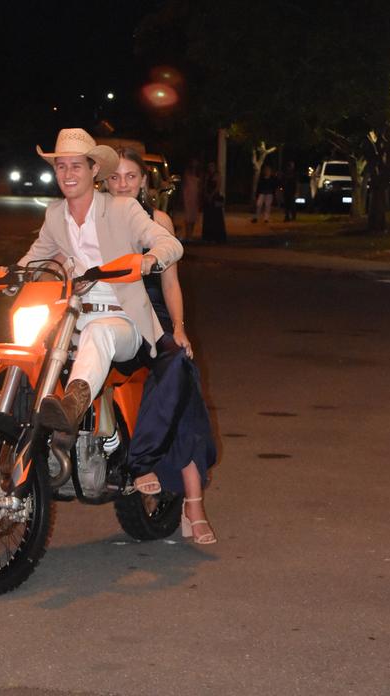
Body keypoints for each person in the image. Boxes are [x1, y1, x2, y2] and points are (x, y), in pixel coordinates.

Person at [17, 127, 182, 449]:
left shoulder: (122, 209)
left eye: (76, 166)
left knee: (99, 333)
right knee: (31, 348)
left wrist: (150, 259)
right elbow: (35, 257)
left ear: (94, 170)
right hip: (71, 318)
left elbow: (168, 243)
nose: (67, 173)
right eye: (61, 166)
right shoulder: (54, 215)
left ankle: (72, 409)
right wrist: (10, 275)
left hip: (123, 320)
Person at [105, 148, 217, 544]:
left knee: (181, 373)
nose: (122, 184)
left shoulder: (159, 221)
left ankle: (193, 502)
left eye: (131, 177)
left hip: (152, 319)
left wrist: (180, 329)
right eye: (115, 177)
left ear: (144, 182)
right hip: (104, 317)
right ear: (103, 180)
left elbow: (169, 282)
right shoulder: (93, 220)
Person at [201, 162, 226, 243]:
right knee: (208, 217)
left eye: (212, 166)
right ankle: (208, 237)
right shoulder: (207, 175)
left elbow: (218, 187)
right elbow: (204, 186)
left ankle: (217, 237)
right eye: (209, 166)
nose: (210, 168)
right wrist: (206, 194)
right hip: (207, 198)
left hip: (214, 197)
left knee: (215, 217)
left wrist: (211, 195)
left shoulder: (217, 176)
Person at [181, 157, 202, 240]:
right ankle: (187, 234)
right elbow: (184, 186)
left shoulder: (198, 174)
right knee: (188, 216)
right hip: (188, 197)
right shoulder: (187, 174)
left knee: (193, 217)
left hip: (195, 197)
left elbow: (199, 187)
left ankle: (190, 235)